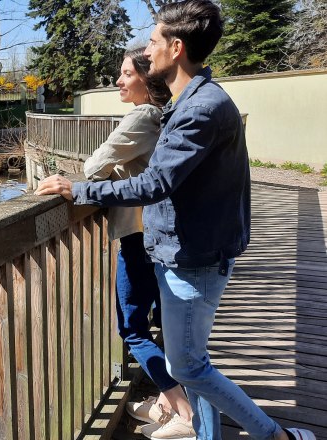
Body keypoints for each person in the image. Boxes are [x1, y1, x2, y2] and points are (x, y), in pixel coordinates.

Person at [35, 1, 316, 440]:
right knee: (191, 362)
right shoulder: (193, 103)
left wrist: (79, 190)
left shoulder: (200, 109)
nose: (147, 52)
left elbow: (154, 184)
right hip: (185, 251)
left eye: (153, 42)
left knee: (188, 366)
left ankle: (276, 436)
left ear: (177, 47)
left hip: (195, 259)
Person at [82, 46, 195, 437]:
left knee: (132, 329)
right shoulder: (166, 115)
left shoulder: (143, 115)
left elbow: (92, 167)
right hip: (164, 235)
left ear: (147, 81)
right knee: (164, 321)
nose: (118, 80)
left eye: (127, 74)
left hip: (139, 235)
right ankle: (167, 403)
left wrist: (114, 175)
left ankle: (184, 413)